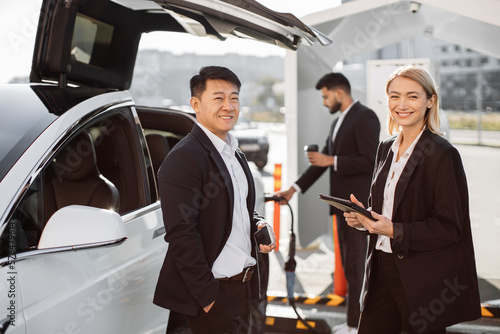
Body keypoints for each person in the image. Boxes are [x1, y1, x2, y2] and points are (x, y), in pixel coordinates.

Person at [345, 64, 481, 334]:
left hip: (421, 277)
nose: (402, 104)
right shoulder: (385, 148)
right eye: (394, 96)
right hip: (380, 269)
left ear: (430, 101)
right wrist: (365, 218)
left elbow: (450, 227)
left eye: (412, 96)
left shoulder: (442, 154)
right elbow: (387, 209)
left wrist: (393, 230)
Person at [153, 66, 275, 334]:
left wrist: (258, 223)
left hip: (241, 290)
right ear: (196, 104)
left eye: (234, 98)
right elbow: (181, 233)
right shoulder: (184, 158)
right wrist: (207, 297)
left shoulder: (235, 153)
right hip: (209, 297)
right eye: (218, 98)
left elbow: (238, 209)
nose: (228, 106)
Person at [276, 72, 380, 333]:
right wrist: (293, 189)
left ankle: (359, 327)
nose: (324, 102)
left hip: (358, 209)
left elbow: (370, 161)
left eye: (325, 96)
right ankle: (352, 323)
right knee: (349, 268)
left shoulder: (365, 117)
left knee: (358, 269)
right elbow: (320, 163)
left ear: (339, 92)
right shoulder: (338, 123)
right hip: (342, 209)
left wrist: (331, 160)